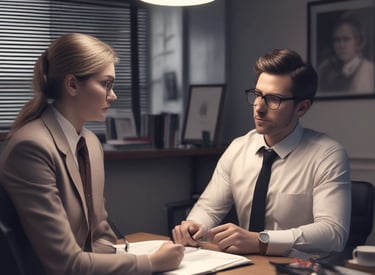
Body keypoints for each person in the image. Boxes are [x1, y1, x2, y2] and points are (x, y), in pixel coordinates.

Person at [0, 33, 184, 274]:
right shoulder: (31, 147)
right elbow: (64, 263)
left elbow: (101, 235)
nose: (113, 95)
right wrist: (151, 263)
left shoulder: (90, 142)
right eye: (106, 84)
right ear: (72, 85)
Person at [173, 49, 351, 259]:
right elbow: (209, 208)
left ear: (301, 108)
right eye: (257, 95)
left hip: (298, 269)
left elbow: (333, 233)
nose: (259, 107)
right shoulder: (238, 148)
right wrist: (194, 226)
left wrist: (262, 241)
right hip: (244, 265)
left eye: (273, 99)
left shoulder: (327, 155)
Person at [318, 12, 374, 94]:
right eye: (337, 40)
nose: (341, 46)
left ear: (358, 42)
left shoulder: (369, 70)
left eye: (346, 39)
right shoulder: (324, 70)